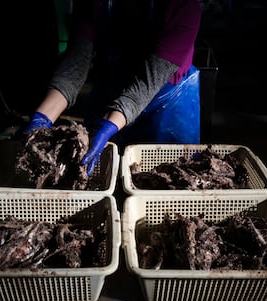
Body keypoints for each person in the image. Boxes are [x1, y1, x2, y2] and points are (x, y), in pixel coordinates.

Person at [22, 0, 202, 176]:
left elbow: (148, 83)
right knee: (97, 169)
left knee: (165, 174)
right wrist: (42, 117)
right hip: (112, 85)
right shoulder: (93, 3)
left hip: (167, 101)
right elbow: (75, 63)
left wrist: (109, 124)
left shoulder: (184, 6)